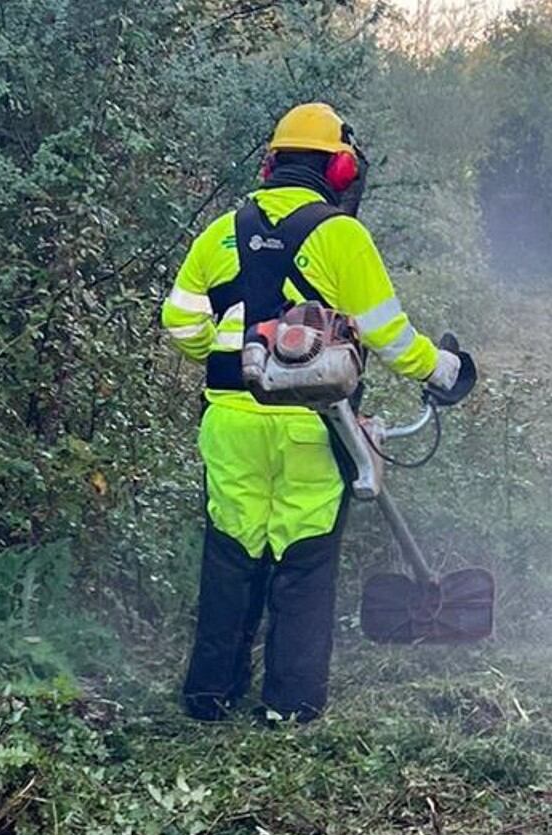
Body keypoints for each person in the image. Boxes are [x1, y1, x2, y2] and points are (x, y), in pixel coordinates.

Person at [159, 102, 475, 722]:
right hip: (312, 424)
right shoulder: (341, 236)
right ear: (340, 170)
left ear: (271, 163)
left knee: (230, 554)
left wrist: (217, 355)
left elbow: (180, 323)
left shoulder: (221, 231)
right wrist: (446, 372)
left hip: (229, 424)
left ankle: (210, 695)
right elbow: (391, 336)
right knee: (302, 561)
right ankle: (290, 705)